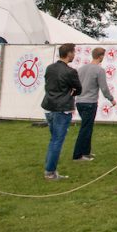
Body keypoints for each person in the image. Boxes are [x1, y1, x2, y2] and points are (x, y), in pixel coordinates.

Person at [41, 43, 82, 180]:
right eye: (74, 52)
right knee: (57, 140)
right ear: (69, 53)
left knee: (54, 139)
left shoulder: (50, 68)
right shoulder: (70, 72)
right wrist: (69, 94)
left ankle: (49, 168)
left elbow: (48, 85)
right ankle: (50, 171)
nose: (75, 55)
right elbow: (78, 89)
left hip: (48, 106)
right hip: (61, 109)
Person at [72, 47, 115, 161]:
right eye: (103, 56)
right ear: (100, 56)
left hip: (79, 101)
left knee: (88, 127)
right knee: (85, 129)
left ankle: (86, 152)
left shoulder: (81, 69)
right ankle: (78, 155)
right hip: (90, 102)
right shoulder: (99, 70)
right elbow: (104, 88)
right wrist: (111, 99)